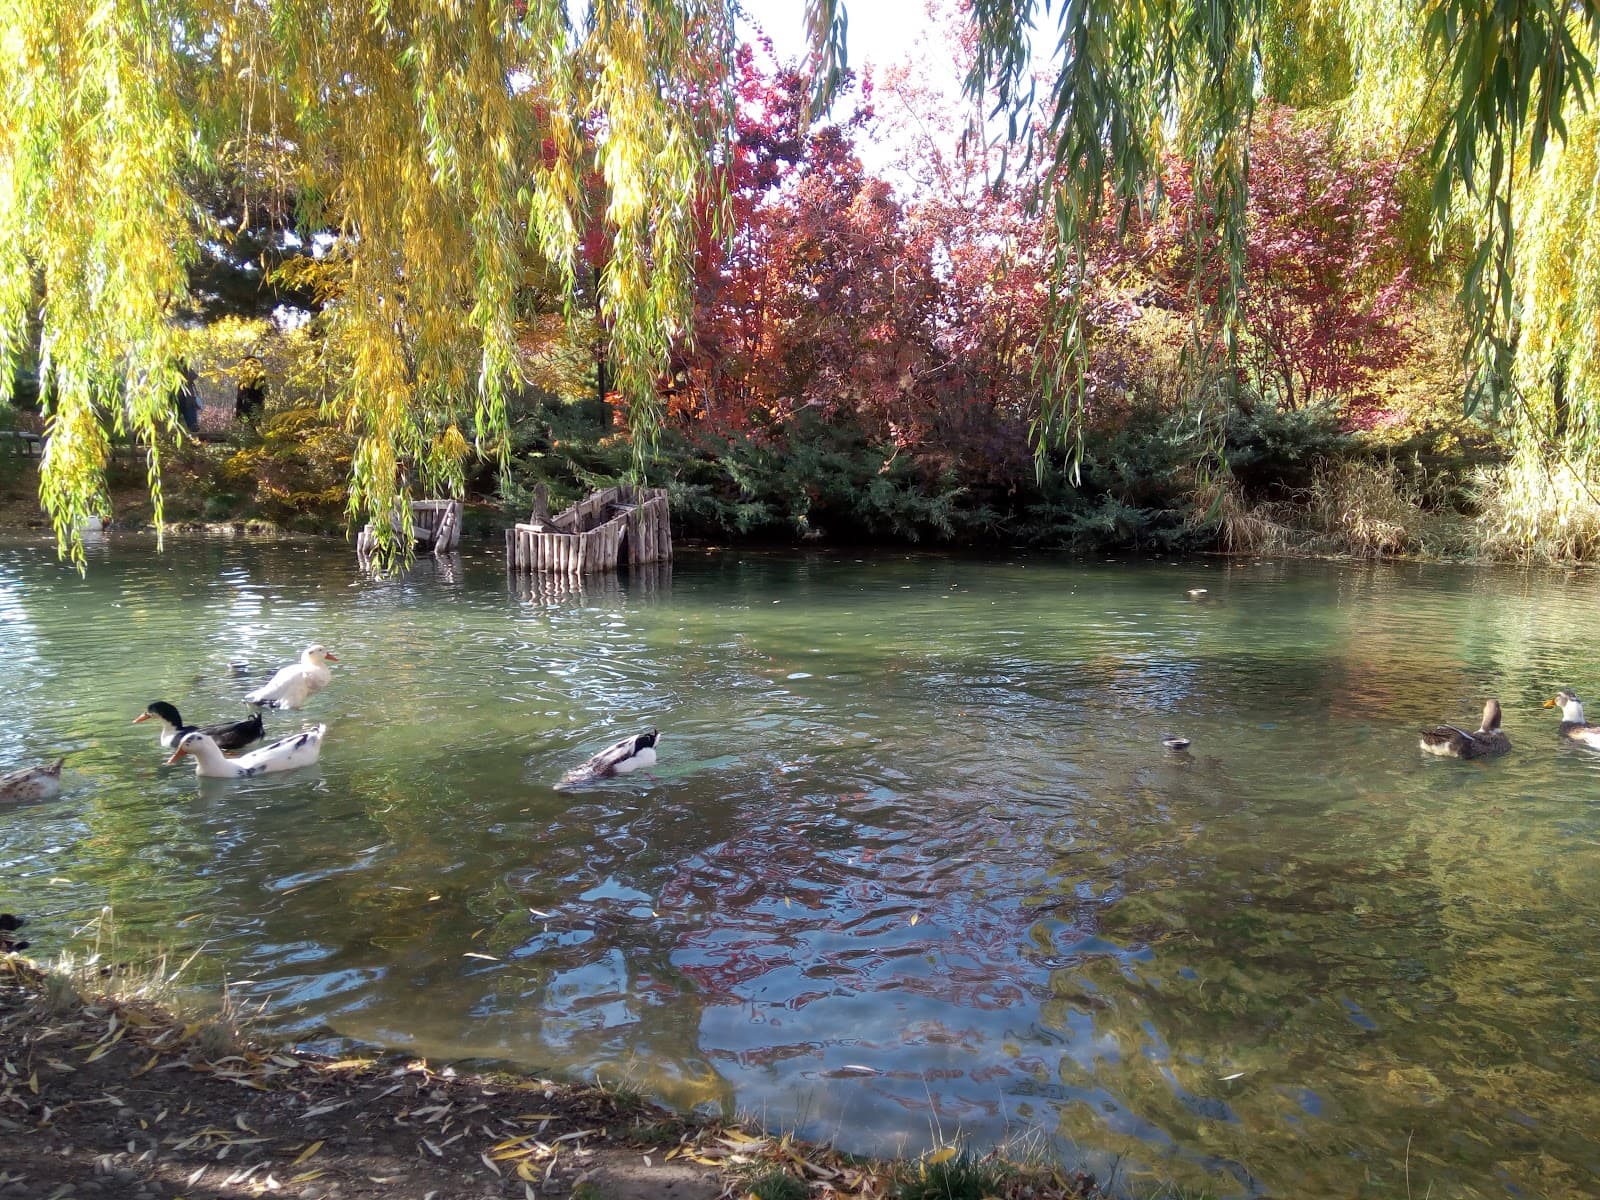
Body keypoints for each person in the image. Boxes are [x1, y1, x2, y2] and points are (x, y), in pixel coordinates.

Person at [235, 355, 266, 422]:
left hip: (255, 405)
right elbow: (239, 396)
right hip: (245, 407)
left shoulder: (260, 376)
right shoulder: (242, 378)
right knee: (247, 425)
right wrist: (238, 412)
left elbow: (261, 393)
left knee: (253, 424)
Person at [173, 360, 200, 433]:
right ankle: (191, 427)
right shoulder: (173, 368)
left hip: (185, 398)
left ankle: (192, 427)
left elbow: (193, 376)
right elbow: (193, 376)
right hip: (182, 398)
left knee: (188, 412)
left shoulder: (185, 369)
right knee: (187, 412)